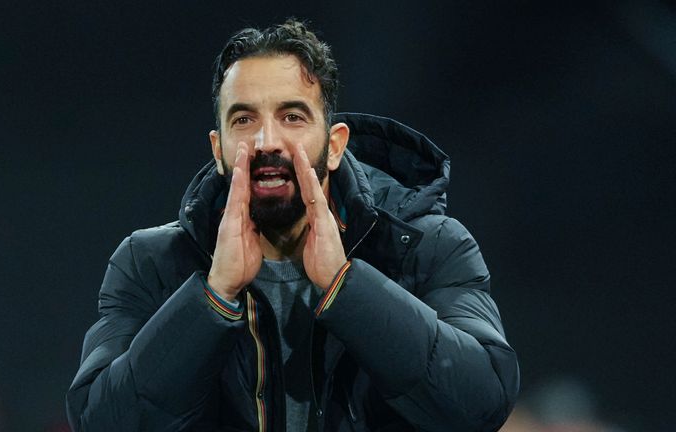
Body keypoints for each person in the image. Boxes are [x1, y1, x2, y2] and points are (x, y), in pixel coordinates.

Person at [66, 19, 519, 432]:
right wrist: (213, 296)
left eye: (292, 117)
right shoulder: (150, 263)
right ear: (218, 149)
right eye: (243, 120)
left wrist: (348, 287)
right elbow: (101, 422)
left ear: (335, 143)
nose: (266, 141)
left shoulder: (425, 247)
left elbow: (481, 406)